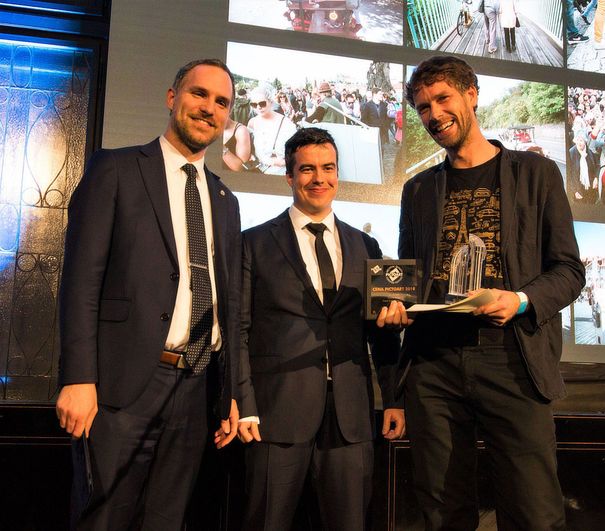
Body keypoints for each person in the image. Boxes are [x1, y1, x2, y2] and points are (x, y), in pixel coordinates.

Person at [377, 55, 585, 531]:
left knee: (534, 512)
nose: (432, 114)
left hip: (512, 358)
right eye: (423, 106)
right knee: (441, 512)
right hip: (433, 365)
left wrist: (520, 300)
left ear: (472, 94)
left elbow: (569, 271)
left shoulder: (537, 174)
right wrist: (397, 308)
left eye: (442, 98)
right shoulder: (417, 190)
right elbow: (409, 280)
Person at [55, 59, 242, 530]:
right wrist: (78, 377)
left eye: (221, 102)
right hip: (121, 387)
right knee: (104, 519)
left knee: (167, 520)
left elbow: (230, 304)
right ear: (171, 97)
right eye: (199, 94)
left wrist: (231, 391)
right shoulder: (115, 169)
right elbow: (80, 281)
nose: (209, 108)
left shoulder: (225, 199)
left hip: (197, 386)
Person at [237, 127, 405, 531]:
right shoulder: (253, 243)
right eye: (307, 169)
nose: (320, 179)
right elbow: (238, 329)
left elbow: (380, 335)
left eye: (328, 168)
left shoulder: (366, 246)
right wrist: (244, 403)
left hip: (351, 418)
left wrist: (394, 397)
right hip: (275, 417)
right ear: (289, 177)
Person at [247, 84, 297, 175]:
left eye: (262, 103)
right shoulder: (252, 123)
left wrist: (283, 162)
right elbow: (249, 146)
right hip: (259, 173)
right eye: (254, 104)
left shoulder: (286, 124)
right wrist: (251, 154)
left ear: (270, 101)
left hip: (281, 174)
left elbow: (298, 153)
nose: (258, 107)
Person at [568, 131, 599, 203]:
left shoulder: (590, 151)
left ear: (585, 141)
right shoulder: (571, 153)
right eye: (577, 140)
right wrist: (575, 191)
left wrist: (596, 178)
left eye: (581, 140)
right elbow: (569, 174)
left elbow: (597, 165)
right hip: (578, 190)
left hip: (591, 188)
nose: (579, 143)